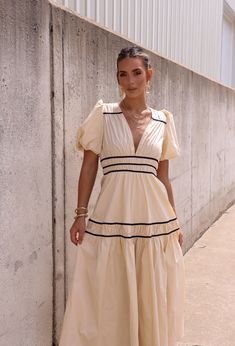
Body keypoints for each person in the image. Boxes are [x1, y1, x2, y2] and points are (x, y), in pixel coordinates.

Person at [59, 46, 185, 346]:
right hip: (111, 217)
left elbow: (163, 178)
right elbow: (89, 168)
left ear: (148, 75)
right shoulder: (103, 115)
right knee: (107, 288)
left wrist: (176, 221)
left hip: (154, 219)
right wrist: (80, 215)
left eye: (137, 73)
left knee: (150, 287)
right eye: (123, 74)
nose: (130, 81)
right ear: (117, 78)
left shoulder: (163, 121)